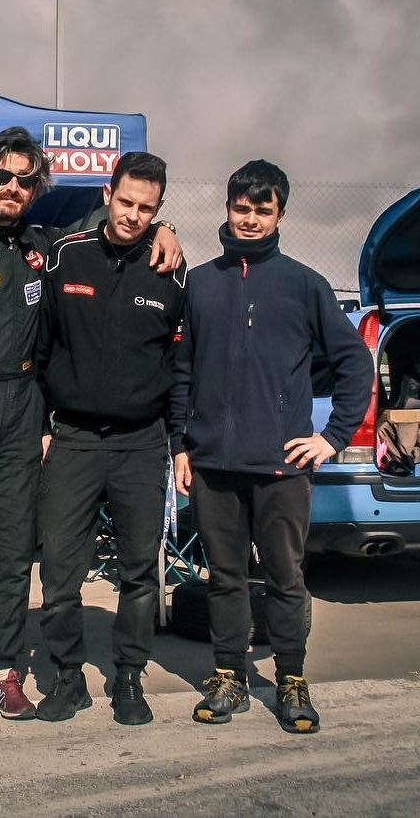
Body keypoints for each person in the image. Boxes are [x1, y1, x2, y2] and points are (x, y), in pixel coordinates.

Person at [0, 127, 182, 738]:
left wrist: (162, 230)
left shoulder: (45, 247)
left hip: (23, 410)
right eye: (5, 177)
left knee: (14, 554)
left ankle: (1, 670)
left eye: (27, 180)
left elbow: (114, 230)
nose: (15, 188)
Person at [169, 159, 371, 734]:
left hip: (283, 468)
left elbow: (355, 363)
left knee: (285, 577)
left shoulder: (305, 284)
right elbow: (182, 371)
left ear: (280, 213)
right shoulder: (201, 284)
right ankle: (229, 676)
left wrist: (331, 438)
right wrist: (181, 445)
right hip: (212, 465)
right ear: (227, 209)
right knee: (225, 578)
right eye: (242, 207)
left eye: (263, 209)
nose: (251, 218)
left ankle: (290, 679)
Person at [35, 151, 186, 726]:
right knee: (59, 571)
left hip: (141, 444)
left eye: (148, 209)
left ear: (159, 210)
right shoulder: (65, 256)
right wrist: (42, 428)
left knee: (140, 571)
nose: (133, 216)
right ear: (107, 193)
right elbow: (39, 347)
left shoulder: (173, 270)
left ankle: (128, 678)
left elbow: (181, 364)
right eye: (125, 202)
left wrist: (179, 443)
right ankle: (68, 679)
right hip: (71, 439)